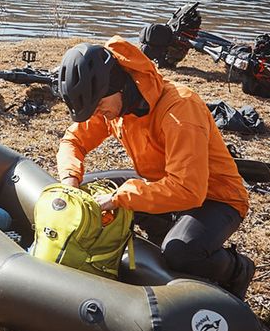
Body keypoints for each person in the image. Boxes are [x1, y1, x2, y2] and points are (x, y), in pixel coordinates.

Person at [56, 37, 255, 299]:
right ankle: (166, 233)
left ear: (118, 85)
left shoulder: (179, 109)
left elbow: (189, 190)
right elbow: (74, 140)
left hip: (216, 198)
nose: (98, 115)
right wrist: (70, 179)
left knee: (180, 253)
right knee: (87, 190)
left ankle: (238, 269)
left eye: (100, 107)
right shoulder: (115, 105)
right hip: (165, 185)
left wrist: (120, 198)